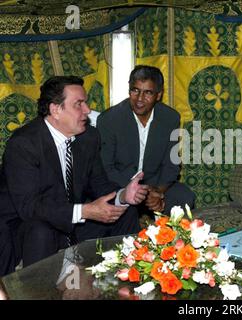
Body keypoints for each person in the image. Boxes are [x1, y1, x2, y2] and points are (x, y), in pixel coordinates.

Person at [0, 76, 149, 269]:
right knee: (40, 230)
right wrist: (84, 211)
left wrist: (123, 195)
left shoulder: (88, 137)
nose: (87, 110)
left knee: (125, 212)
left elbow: (99, 185)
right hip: (26, 225)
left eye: (85, 102)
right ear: (56, 110)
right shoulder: (24, 143)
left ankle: (126, 278)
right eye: (79, 104)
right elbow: (30, 207)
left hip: (71, 221)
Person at [96, 65, 195, 218]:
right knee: (120, 206)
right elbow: (106, 168)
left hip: (154, 184)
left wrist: (158, 191)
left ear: (159, 95)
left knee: (184, 196)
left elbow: (171, 164)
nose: (140, 99)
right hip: (120, 185)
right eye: (135, 90)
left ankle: (166, 238)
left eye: (148, 92)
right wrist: (136, 191)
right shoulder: (109, 119)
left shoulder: (170, 118)